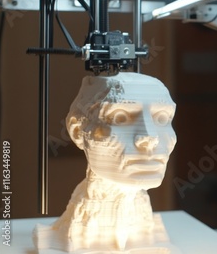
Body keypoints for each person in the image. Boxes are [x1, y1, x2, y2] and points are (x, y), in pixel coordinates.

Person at [34, 72, 178, 253]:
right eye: (120, 117)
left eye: (162, 118)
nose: (150, 137)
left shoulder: (147, 230)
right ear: (78, 132)